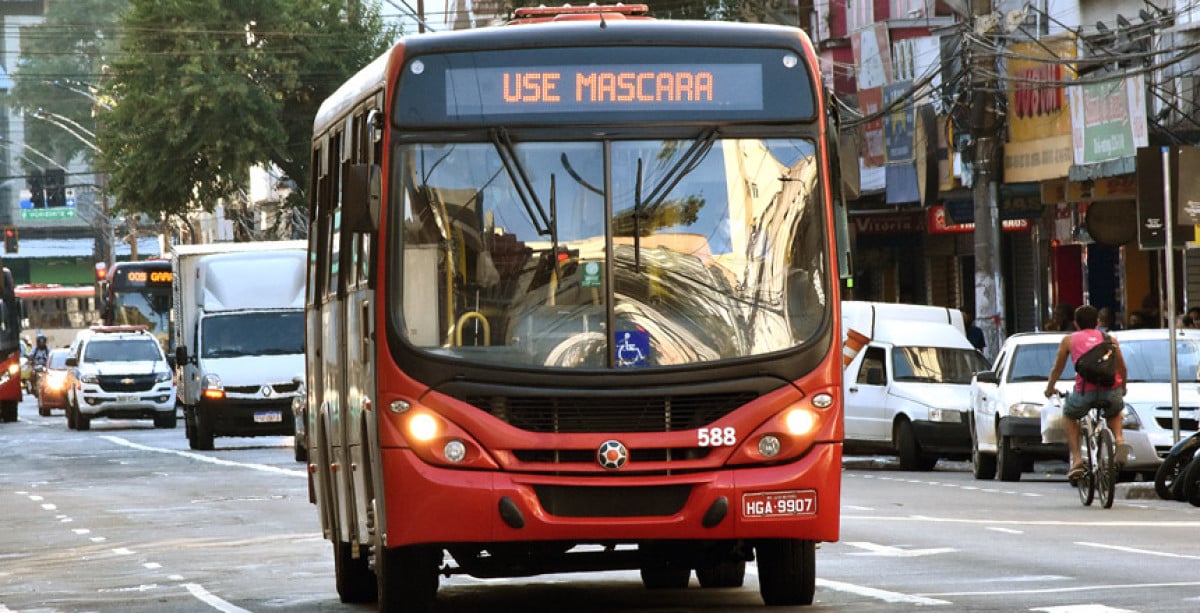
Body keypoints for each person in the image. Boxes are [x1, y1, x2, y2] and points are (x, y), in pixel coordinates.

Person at [1043, 305, 1129, 481]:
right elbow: (1122, 367)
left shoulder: (1069, 340)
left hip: (1084, 393)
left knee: (1069, 414)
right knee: (1114, 411)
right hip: (1110, 390)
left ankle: (1076, 459)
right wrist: (1123, 387)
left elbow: (1057, 369)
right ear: (1097, 322)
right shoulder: (1110, 339)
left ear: (1076, 323)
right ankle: (1119, 440)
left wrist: (1050, 388)